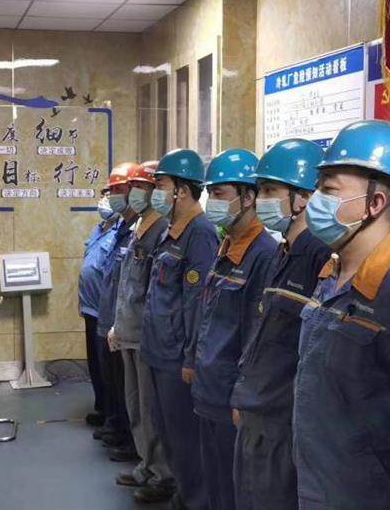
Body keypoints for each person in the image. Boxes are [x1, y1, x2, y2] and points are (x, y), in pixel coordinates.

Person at [292, 120, 390, 509]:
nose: (313, 201)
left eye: (329, 190)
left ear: (375, 203)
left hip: (366, 493)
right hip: (316, 481)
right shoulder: (330, 272)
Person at [229, 138, 331, 510]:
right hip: (257, 409)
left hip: (281, 419)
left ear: (302, 198)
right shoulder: (282, 250)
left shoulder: (318, 254)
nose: (261, 200)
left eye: (271, 190)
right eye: (260, 190)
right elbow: (263, 333)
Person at [192, 148, 277, 510]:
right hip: (209, 388)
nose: (212, 201)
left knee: (232, 489)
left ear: (248, 197)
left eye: (219, 193)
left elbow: (255, 337)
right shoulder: (226, 247)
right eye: (210, 193)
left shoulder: (264, 254)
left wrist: (241, 396)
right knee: (213, 481)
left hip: (231, 395)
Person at [142, 148, 219, 510]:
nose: (156, 192)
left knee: (186, 439)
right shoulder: (171, 231)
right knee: (169, 434)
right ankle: (182, 496)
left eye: (161, 185)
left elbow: (197, 302)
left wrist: (190, 357)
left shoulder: (200, 234)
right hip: (158, 351)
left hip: (177, 358)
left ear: (182, 190)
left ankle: (195, 501)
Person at [109, 161, 176, 504]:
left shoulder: (160, 229)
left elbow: (154, 292)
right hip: (128, 330)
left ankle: (161, 474)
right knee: (135, 404)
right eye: (132, 186)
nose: (134, 193)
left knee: (150, 410)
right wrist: (117, 325)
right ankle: (144, 464)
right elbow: (128, 285)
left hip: (145, 336)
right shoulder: (139, 227)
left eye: (141, 186)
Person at [95, 163, 140, 459]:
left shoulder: (142, 229)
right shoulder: (121, 226)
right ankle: (118, 427)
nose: (112, 196)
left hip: (125, 323)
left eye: (118, 190)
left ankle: (131, 441)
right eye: (110, 191)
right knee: (114, 382)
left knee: (129, 389)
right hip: (109, 314)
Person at [79, 166, 124, 433]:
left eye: (112, 194)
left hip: (105, 309)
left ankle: (113, 416)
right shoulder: (99, 229)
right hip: (90, 307)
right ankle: (102, 408)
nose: (105, 199)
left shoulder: (121, 231)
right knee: (95, 363)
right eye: (104, 194)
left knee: (109, 368)